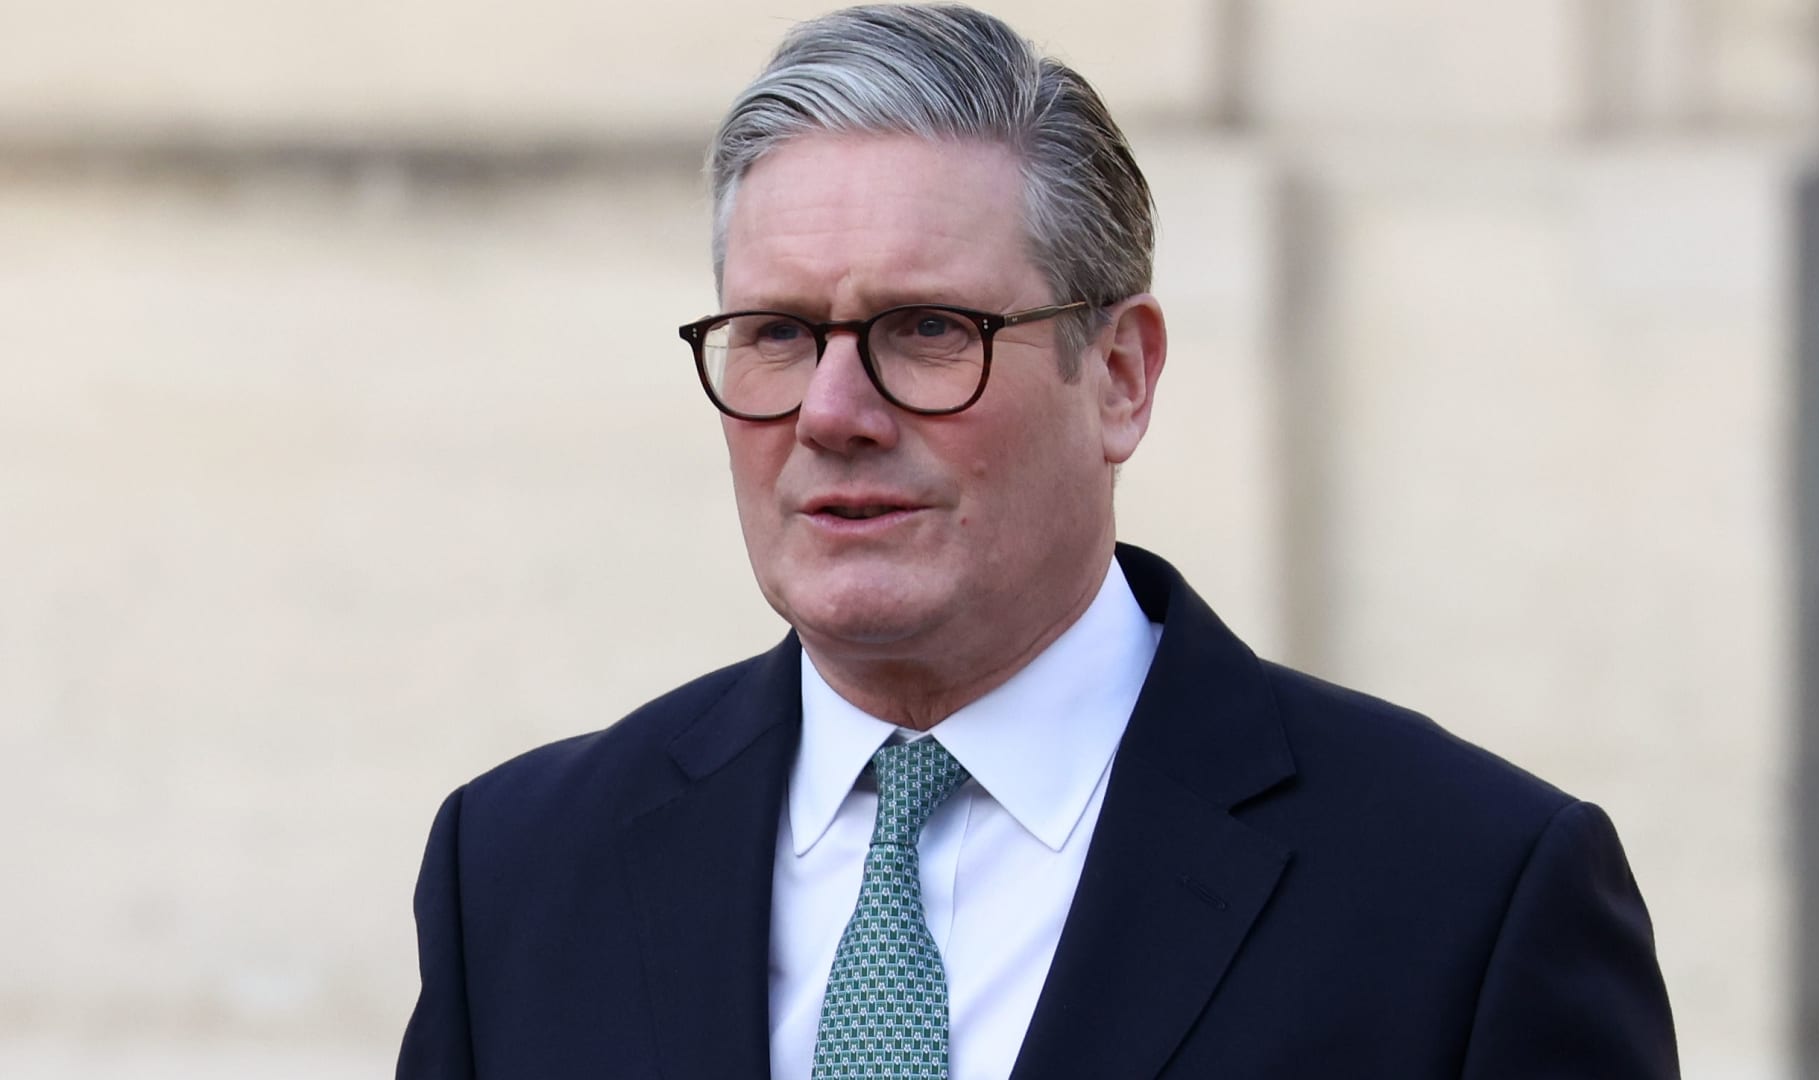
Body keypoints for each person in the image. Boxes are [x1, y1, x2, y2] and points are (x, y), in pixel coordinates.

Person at [397, 5, 1680, 1078]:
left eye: (928, 330)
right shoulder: (516, 871)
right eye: (778, 334)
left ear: (1118, 374)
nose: (834, 414)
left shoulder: (1467, 893)